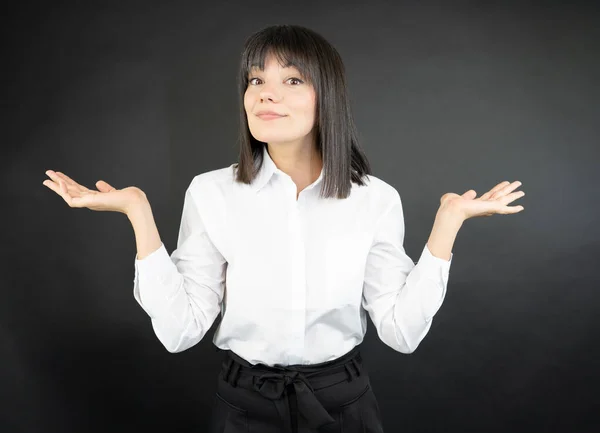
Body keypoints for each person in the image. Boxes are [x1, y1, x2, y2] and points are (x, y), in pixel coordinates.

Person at [42, 24, 525, 433]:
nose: (266, 93)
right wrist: (138, 212)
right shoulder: (211, 193)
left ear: (327, 96)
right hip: (244, 405)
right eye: (256, 80)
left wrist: (448, 223)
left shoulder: (376, 198)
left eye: (292, 80)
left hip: (344, 404)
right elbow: (179, 331)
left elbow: (401, 332)